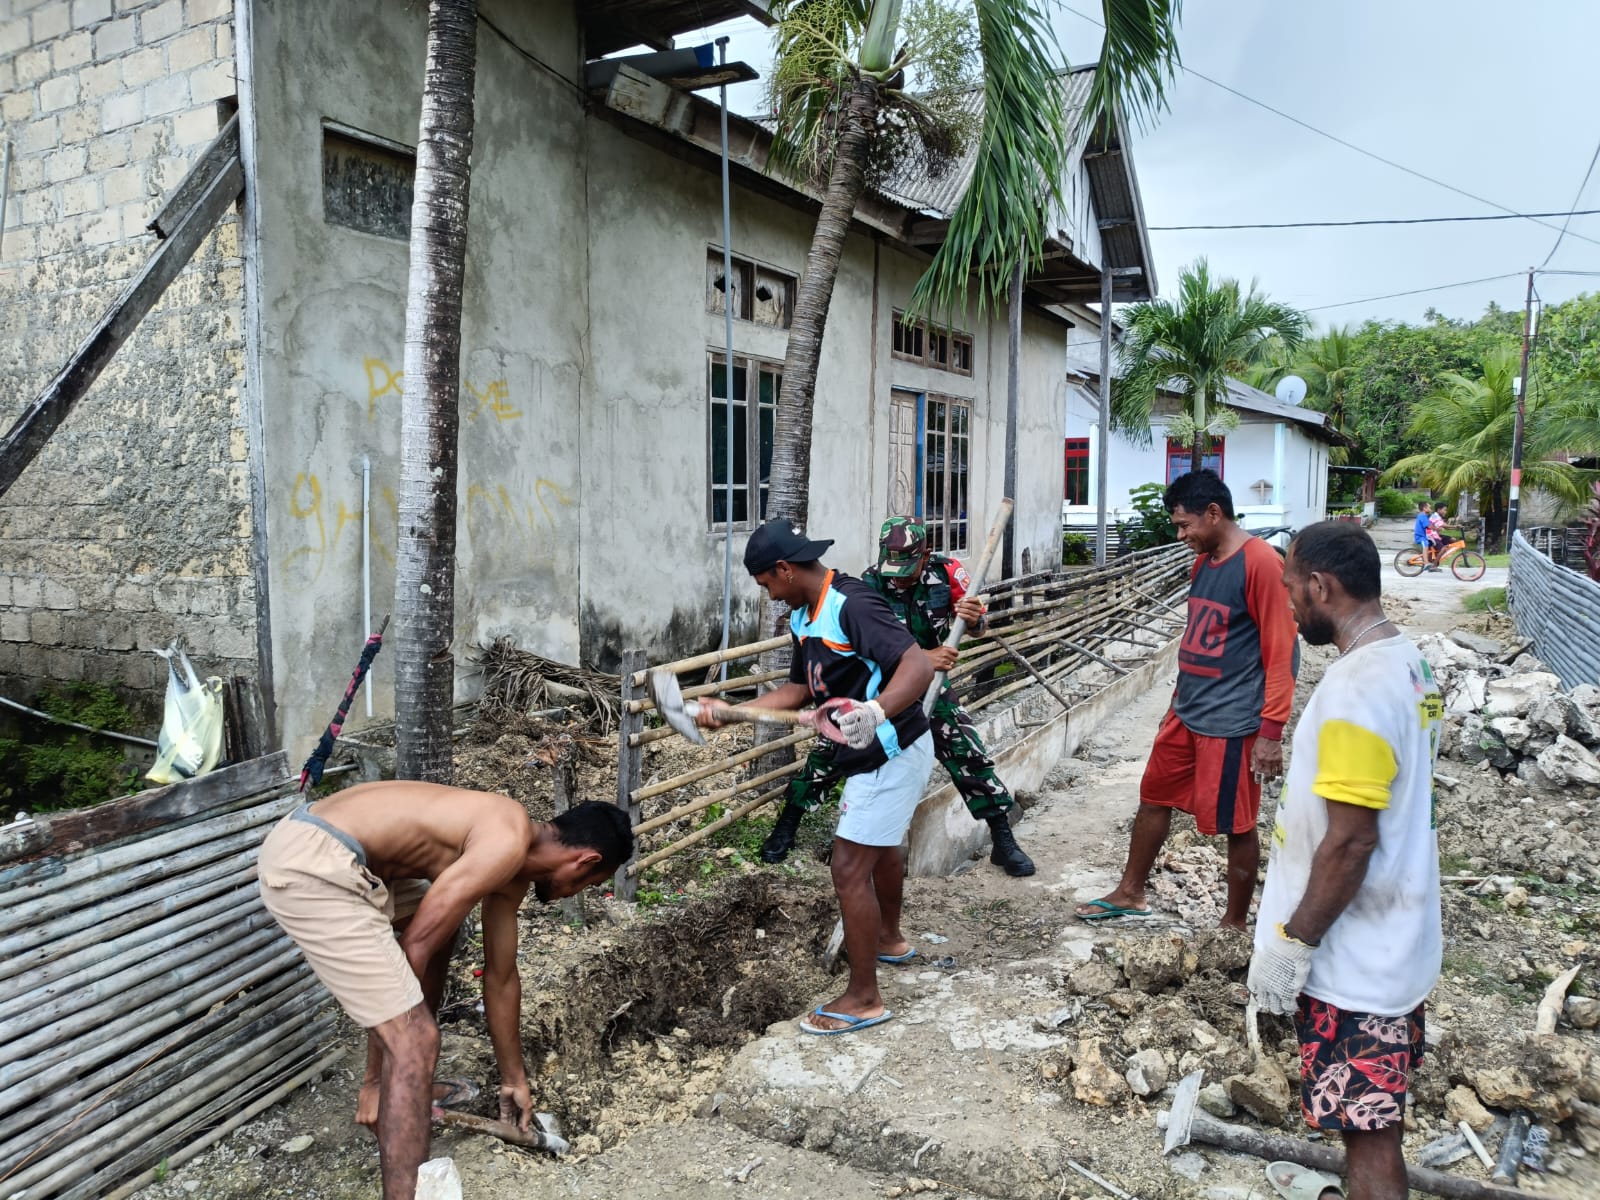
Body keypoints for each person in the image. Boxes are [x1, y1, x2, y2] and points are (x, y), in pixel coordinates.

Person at [257, 781, 633, 1199]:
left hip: (351, 856)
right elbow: (414, 948)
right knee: (416, 1038)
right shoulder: (506, 838)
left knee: (440, 927)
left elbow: (501, 977)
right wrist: (375, 1080)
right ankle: (398, 1104)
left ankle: (409, 1081)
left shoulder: (512, 870)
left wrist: (514, 1079)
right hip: (316, 858)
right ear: (585, 861)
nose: (571, 893)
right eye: (584, 885)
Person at [1249, 521, 1443, 1200]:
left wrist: (1292, 944)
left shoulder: (1358, 693)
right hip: (1397, 943)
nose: (1290, 605)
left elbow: (1351, 841)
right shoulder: (1407, 661)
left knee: (1369, 1135)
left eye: (1292, 589)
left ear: (1321, 586)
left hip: (1358, 964)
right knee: (1371, 1119)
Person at [700, 517, 936, 1034]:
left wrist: (875, 711)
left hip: (891, 748)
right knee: (882, 848)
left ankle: (863, 997)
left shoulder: (851, 604)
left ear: (784, 569)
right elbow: (799, 691)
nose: (767, 595)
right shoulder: (805, 617)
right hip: (870, 753)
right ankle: (889, 940)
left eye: (766, 584)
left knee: (848, 867)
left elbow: (917, 667)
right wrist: (732, 710)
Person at [1075, 470, 1297, 929]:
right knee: (1153, 797)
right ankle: (1130, 892)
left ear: (1214, 514)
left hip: (1232, 720)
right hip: (1187, 711)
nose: (1181, 536)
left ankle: (1234, 923)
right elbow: (1199, 641)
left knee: (1238, 822)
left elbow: (1282, 653)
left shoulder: (1260, 564)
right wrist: (1176, 702)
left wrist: (1271, 732)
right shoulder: (1204, 563)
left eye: (1185, 525)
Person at [757, 516, 1034, 877]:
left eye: (907, 568)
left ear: (926, 555)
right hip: (883, 686)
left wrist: (975, 618)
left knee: (966, 750)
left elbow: (980, 629)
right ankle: (786, 827)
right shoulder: (868, 584)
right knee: (828, 753)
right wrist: (923, 658)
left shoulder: (948, 573)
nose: (898, 577)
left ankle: (1003, 839)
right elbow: (878, 648)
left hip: (933, 685)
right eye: (892, 566)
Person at [1426, 503, 1449, 570]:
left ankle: (1436, 555)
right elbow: (1443, 526)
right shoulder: (1435, 516)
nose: (1445, 512)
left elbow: (1445, 525)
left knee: (1452, 539)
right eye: (1444, 510)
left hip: (1436, 535)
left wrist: (1457, 527)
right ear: (1439, 510)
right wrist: (1455, 526)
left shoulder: (1438, 517)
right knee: (1443, 549)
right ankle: (1434, 566)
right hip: (1431, 535)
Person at [1411, 501, 1433, 568]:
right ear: (1424, 508)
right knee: (1425, 544)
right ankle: (1426, 563)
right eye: (1429, 507)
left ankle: (1430, 561)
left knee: (1432, 544)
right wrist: (1436, 527)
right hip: (1420, 536)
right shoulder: (1422, 516)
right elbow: (1428, 526)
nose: (1430, 509)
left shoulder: (1423, 516)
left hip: (1424, 536)